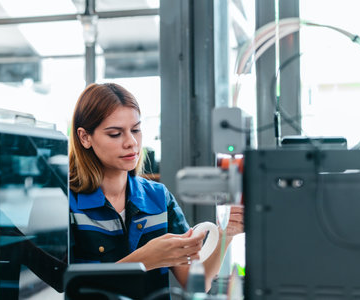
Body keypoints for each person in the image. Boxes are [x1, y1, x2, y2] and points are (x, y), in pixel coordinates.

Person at [69, 82, 244, 297]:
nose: (131, 142)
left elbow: (196, 283)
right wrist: (145, 259)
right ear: (85, 137)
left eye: (136, 130)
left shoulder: (158, 197)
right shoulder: (67, 205)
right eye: (115, 134)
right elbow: (70, 289)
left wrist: (226, 235)